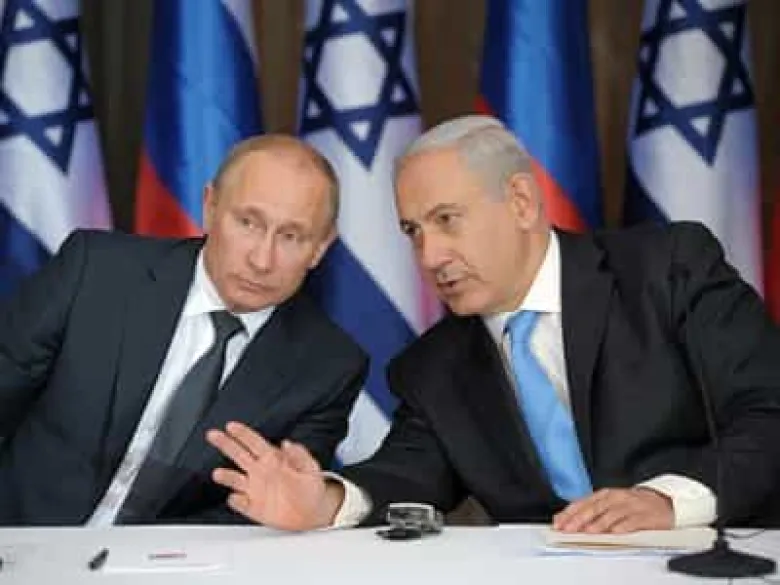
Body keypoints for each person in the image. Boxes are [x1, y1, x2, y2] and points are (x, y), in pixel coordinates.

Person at [207, 116, 780, 534]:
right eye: (413, 231)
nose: (430, 255)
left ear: (522, 201)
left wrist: (668, 503)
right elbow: (406, 475)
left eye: (447, 219)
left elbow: (768, 412)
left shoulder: (667, 271)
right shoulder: (433, 366)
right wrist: (327, 501)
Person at [0, 135, 368, 526]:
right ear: (210, 207)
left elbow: (268, 515)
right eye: (248, 223)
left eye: (291, 236)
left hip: (175, 558)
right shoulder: (95, 271)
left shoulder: (328, 368)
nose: (262, 260)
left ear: (321, 247)